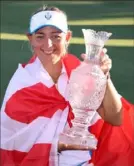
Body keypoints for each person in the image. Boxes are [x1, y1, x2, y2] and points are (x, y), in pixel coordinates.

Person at [1, 5, 134, 166]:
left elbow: (115, 118)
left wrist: (104, 76)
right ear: (30, 38)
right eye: (40, 36)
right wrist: (61, 144)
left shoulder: (80, 71)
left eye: (56, 36)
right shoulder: (22, 84)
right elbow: (11, 143)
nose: (48, 44)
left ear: (68, 37)